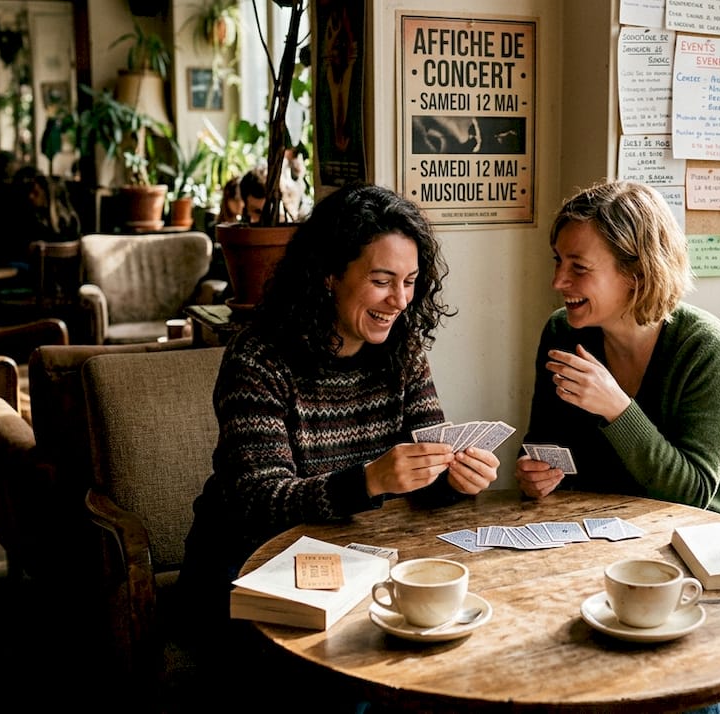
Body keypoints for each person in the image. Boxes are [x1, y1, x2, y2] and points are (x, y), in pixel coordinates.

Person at [181, 182, 499, 629]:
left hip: (350, 559)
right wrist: (368, 481)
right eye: (381, 280)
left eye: (409, 282)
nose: (400, 301)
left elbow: (425, 468)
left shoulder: (402, 352)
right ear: (329, 274)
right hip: (246, 568)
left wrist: (457, 479)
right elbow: (260, 501)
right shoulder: (259, 358)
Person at [516, 180, 720, 524]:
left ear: (636, 273)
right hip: (604, 523)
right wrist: (534, 476)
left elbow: (692, 494)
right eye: (558, 261)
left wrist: (617, 407)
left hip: (710, 531)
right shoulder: (561, 332)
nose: (558, 281)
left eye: (579, 267)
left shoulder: (706, 348)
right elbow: (542, 446)